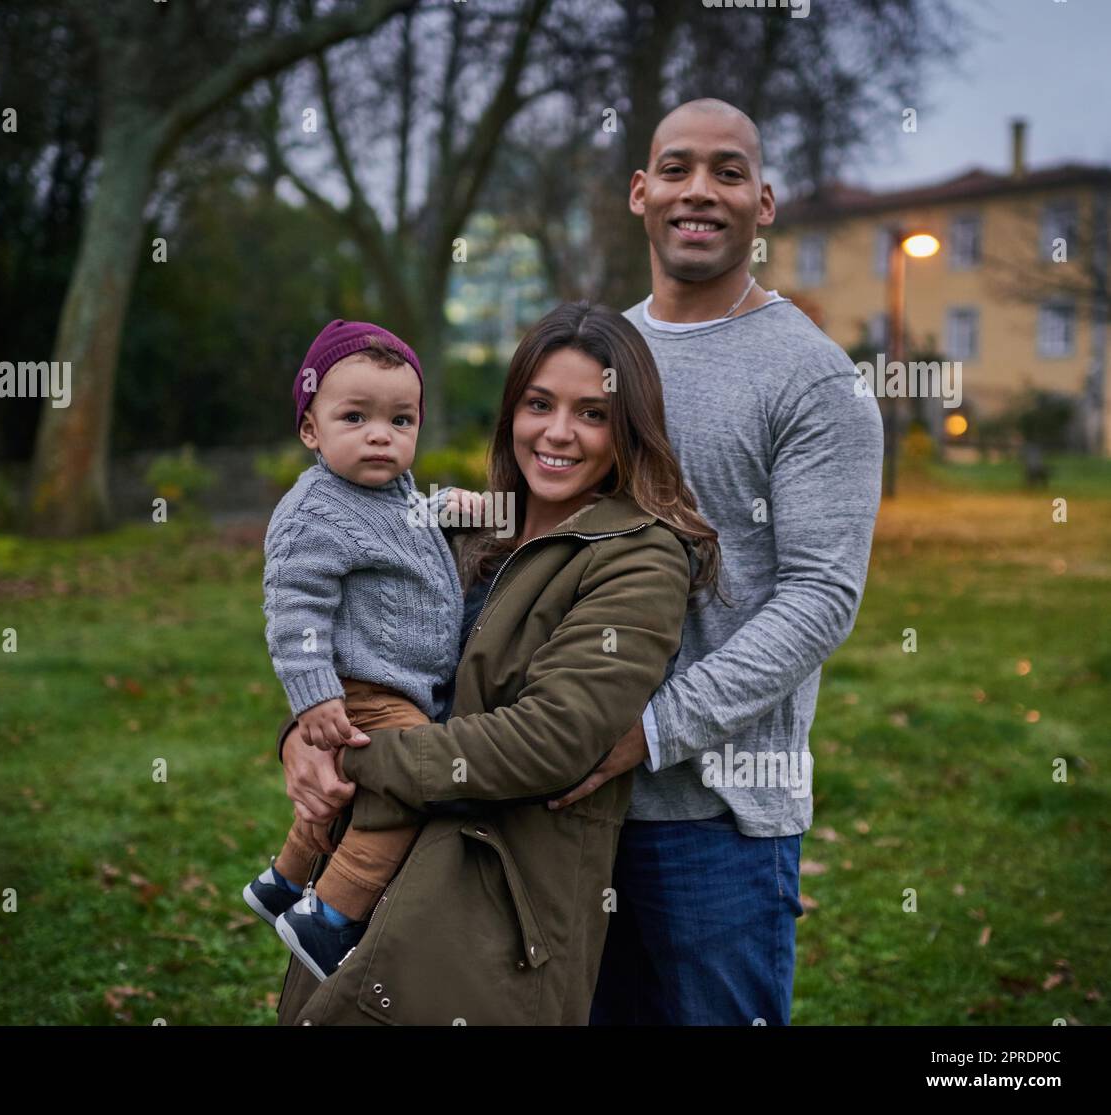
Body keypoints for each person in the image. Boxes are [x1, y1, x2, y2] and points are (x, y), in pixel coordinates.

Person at [270, 302, 719, 1025]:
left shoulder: (638, 556)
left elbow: (550, 741)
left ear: (628, 427)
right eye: (539, 404)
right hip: (372, 878)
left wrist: (356, 762)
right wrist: (299, 732)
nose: (558, 432)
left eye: (593, 413)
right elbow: (360, 651)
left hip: (495, 904)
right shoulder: (460, 529)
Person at [563, 98, 884, 1025]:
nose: (699, 190)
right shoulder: (599, 354)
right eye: (677, 167)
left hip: (718, 821)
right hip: (567, 804)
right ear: (641, 191)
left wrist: (652, 732)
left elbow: (821, 596)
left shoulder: (812, 377)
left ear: (765, 203)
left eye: (728, 171)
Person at [243, 319, 468, 981]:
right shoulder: (315, 509)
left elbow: (417, 518)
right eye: (356, 417)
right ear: (311, 429)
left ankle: (283, 881)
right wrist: (314, 695)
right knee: (413, 788)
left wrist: (468, 508)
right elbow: (293, 609)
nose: (381, 434)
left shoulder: (393, 495)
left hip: (394, 688)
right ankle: (330, 917)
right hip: (364, 692)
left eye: (402, 419)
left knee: (339, 794)